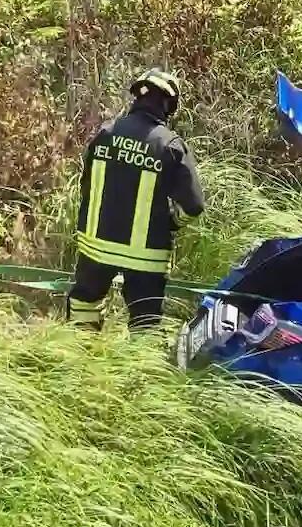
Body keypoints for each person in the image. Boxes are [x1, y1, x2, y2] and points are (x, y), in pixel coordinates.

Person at [66, 69, 205, 331]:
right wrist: (171, 222)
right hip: (146, 255)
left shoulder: (105, 134)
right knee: (144, 322)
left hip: (95, 246)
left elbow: (86, 185)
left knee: (84, 305)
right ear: (169, 104)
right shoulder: (170, 145)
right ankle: (138, 359)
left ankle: (80, 354)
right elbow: (194, 205)